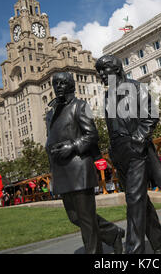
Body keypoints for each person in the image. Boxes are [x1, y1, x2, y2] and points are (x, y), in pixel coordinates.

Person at [95, 55, 161, 254]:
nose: (102, 75)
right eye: (99, 72)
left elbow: (151, 115)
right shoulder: (107, 95)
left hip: (136, 149)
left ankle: (134, 250)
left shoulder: (135, 87)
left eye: (105, 70)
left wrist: (138, 138)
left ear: (117, 69)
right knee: (140, 202)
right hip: (118, 153)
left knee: (134, 200)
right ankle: (160, 244)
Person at [45, 72, 125, 254]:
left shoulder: (80, 106)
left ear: (71, 85)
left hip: (79, 167)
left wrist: (72, 146)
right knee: (75, 217)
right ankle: (113, 233)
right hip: (61, 170)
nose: (58, 87)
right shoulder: (50, 114)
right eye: (55, 83)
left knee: (86, 219)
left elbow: (92, 135)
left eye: (62, 83)